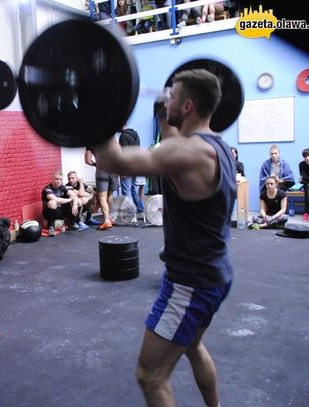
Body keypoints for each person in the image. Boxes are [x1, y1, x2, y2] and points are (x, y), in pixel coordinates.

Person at [93, 69, 235, 407]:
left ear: (186, 106)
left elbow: (114, 161)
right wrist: (163, 112)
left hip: (191, 282)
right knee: (191, 345)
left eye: (172, 98)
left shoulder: (190, 153)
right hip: (214, 271)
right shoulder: (218, 146)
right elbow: (173, 141)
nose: (165, 99)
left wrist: (98, 112)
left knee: (150, 375)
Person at [85, 148, 119, 230]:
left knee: (102, 198)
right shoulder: (109, 138)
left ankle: (107, 221)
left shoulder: (90, 143)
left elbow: (88, 160)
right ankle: (111, 218)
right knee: (110, 195)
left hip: (102, 171)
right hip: (113, 171)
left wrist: (95, 164)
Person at [41, 170, 81, 236]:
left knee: (77, 202)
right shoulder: (47, 188)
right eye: (56, 179)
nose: (58, 181)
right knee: (52, 203)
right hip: (49, 212)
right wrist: (69, 200)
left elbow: (73, 195)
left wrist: (74, 205)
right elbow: (56, 199)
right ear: (52, 179)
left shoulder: (62, 187)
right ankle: (51, 226)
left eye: (60, 179)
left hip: (61, 210)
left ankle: (73, 222)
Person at [119, 125, 144, 217]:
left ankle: (130, 213)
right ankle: (140, 210)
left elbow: (123, 154)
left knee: (126, 191)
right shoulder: (135, 134)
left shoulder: (123, 136)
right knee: (133, 190)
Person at [298, 148, 309, 215]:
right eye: (305, 156)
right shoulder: (301, 164)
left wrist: (304, 179)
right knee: (307, 186)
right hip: (306, 184)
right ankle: (307, 212)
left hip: (305, 182)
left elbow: (304, 178)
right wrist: (303, 179)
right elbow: (303, 176)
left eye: (308, 156)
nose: (307, 158)